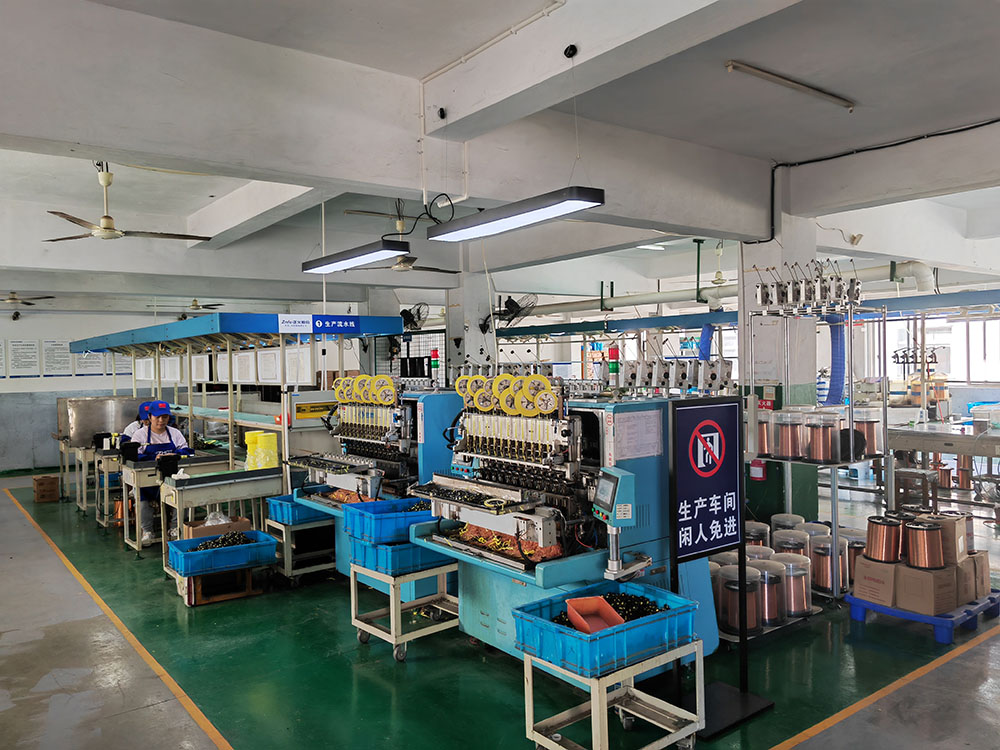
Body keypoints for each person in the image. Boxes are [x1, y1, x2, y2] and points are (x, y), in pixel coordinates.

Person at [125, 401, 193, 545]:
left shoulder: (174, 433)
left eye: (165, 417)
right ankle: (147, 531)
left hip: (171, 475)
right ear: (150, 417)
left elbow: (186, 450)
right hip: (148, 477)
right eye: (157, 417)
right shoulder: (140, 434)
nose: (161, 421)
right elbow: (135, 456)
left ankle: (175, 528)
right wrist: (153, 457)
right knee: (141, 495)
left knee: (182, 493)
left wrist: (176, 454)